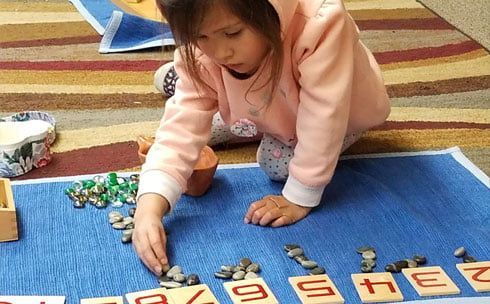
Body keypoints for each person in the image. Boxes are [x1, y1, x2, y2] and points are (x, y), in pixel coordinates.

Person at [133, 0, 390, 275]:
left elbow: (324, 115)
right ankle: (211, 96)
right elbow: (180, 129)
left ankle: (235, 111)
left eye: (232, 33)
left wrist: (300, 196)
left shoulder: (321, 24)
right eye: (200, 37)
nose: (221, 52)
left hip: (341, 109)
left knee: (274, 163)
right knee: (199, 97)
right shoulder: (204, 52)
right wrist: (149, 206)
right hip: (266, 102)